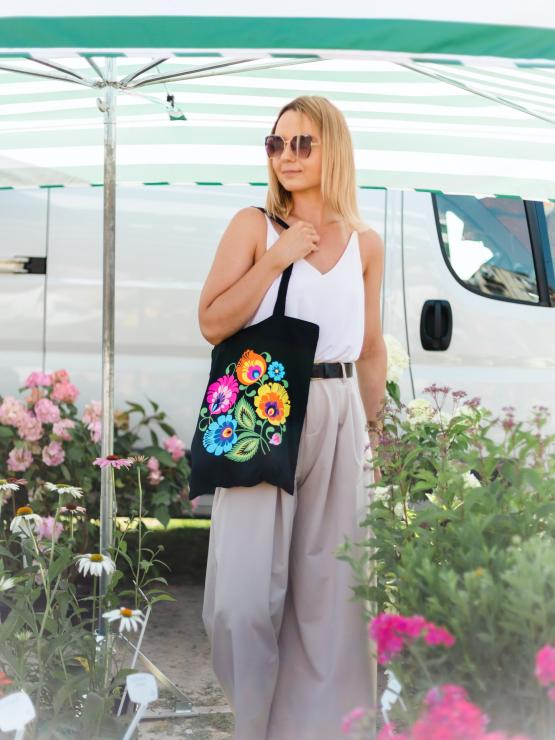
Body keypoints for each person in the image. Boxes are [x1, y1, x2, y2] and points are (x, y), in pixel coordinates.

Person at [197, 95, 387, 740]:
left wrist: (378, 431)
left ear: (334, 147)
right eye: (276, 144)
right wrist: (278, 258)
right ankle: (252, 725)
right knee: (242, 600)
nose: (287, 156)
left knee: (332, 595)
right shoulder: (254, 224)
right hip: (264, 408)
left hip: (338, 412)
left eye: (302, 143)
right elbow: (213, 323)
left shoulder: (366, 242)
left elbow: (372, 346)